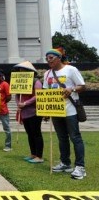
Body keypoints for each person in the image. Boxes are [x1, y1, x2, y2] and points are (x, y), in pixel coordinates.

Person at [43, 47, 86, 179]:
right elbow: (46, 92)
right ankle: (65, 163)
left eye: (51, 58)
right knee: (62, 138)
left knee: (75, 137)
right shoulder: (47, 74)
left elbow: (82, 86)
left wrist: (71, 89)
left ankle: (80, 167)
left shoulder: (71, 70)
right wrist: (45, 111)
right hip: (56, 111)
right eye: (47, 58)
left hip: (70, 110)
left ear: (58, 58)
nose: (48, 60)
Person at [13, 61, 44, 163]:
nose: (21, 71)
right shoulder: (19, 81)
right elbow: (17, 94)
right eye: (20, 70)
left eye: (23, 70)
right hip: (24, 113)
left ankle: (39, 156)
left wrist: (25, 103)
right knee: (29, 134)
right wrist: (19, 103)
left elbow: (38, 95)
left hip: (34, 112)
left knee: (36, 134)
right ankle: (33, 154)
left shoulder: (36, 82)